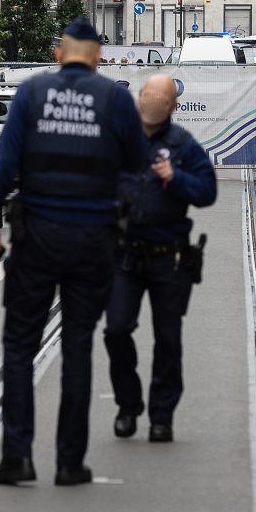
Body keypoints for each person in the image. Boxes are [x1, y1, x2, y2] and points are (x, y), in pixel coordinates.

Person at [0, 17, 144, 487]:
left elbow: (5, 166)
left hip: (37, 238)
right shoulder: (115, 100)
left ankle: (17, 456)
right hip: (93, 239)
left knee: (19, 346)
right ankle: (70, 461)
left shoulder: (31, 95)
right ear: (99, 59)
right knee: (78, 346)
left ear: (57, 54)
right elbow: (137, 170)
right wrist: (118, 213)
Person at [103, 74, 217, 443]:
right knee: (116, 330)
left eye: (159, 98)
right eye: (146, 95)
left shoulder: (182, 145)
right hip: (125, 256)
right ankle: (128, 403)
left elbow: (207, 191)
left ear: (172, 105)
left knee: (168, 339)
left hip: (168, 257)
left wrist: (177, 177)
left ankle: (161, 415)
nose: (151, 102)